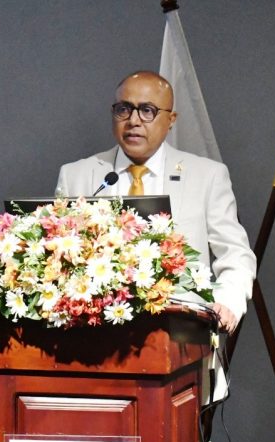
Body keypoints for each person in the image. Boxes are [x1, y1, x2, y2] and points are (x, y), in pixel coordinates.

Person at [56, 70, 256, 333]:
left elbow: (236, 255)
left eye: (147, 110)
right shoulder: (77, 176)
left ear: (171, 119)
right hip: (95, 335)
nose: (133, 121)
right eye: (124, 109)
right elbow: (57, 260)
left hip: (183, 335)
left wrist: (226, 303)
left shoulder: (207, 176)